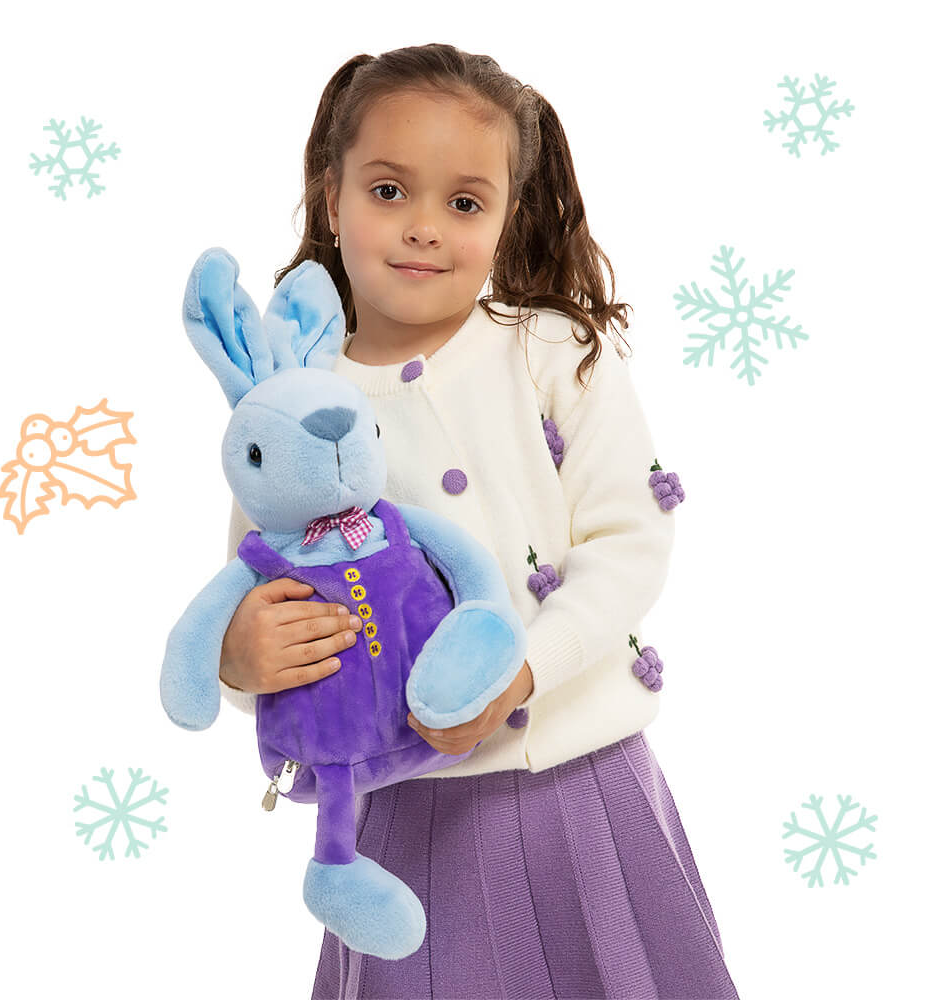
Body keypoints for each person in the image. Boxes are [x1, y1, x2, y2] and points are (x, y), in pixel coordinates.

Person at [217, 43, 741, 1000]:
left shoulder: (552, 352)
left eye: (464, 203)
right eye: (388, 191)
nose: (424, 227)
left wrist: (527, 666)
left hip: (589, 787)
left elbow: (630, 541)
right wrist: (242, 658)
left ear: (507, 216)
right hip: (408, 819)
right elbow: (260, 585)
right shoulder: (293, 408)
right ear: (331, 198)